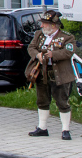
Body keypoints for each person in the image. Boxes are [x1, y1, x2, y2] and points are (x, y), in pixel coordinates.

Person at [27, 9, 76, 140]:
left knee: (62, 101)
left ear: (53, 25)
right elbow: (31, 47)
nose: (42, 25)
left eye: (44, 23)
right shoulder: (39, 35)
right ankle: (42, 127)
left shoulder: (67, 37)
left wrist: (52, 55)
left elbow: (68, 52)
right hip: (42, 73)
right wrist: (37, 55)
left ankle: (65, 130)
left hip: (60, 74)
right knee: (42, 100)